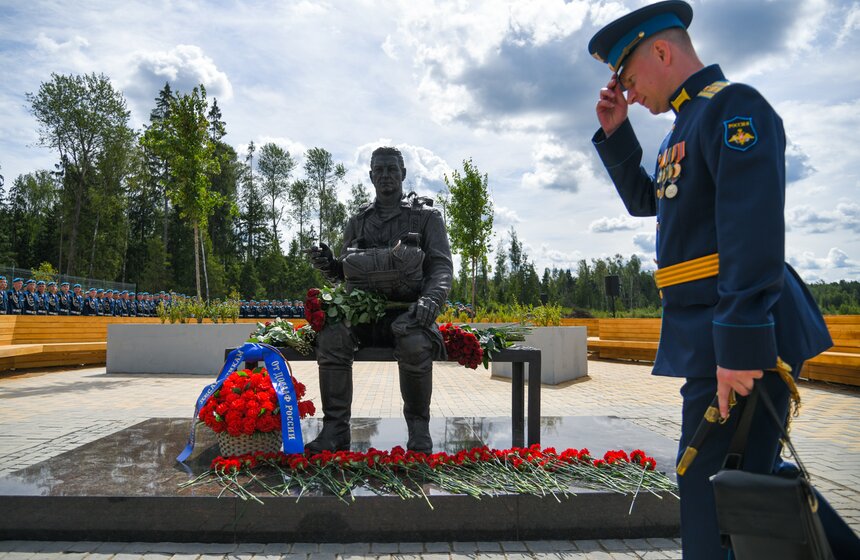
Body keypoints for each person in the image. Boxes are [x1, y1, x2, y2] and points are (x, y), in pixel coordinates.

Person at [588, 2, 858, 558]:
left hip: (741, 335)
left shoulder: (732, 107)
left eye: (631, 79)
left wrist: (739, 345)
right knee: (744, 479)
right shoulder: (682, 128)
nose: (631, 94)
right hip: (712, 335)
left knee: (710, 491)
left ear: (662, 51)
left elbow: (751, 232)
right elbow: (648, 202)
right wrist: (617, 134)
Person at [306, 146, 453, 454]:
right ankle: (335, 430)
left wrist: (430, 301)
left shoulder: (426, 218)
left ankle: (418, 430)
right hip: (364, 319)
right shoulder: (358, 221)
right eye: (380, 170)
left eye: (392, 169)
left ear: (403, 174)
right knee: (331, 335)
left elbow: (441, 268)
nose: (386, 175)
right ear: (371, 175)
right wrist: (330, 265)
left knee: (414, 344)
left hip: (410, 316)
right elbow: (346, 275)